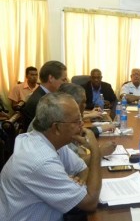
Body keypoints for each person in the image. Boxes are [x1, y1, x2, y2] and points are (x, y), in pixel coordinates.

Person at [0, 92, 115, 221]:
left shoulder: (50, 140)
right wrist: (95, 150)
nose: (82, 125)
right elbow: (90, 203)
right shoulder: (41, 161)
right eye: (77, 121)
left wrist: (78, 183)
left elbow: (83, 169)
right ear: (57, 127)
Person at [22, 61, 68, 129]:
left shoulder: (44, 94)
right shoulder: (40, 101)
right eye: (63, 80)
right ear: (51, 78)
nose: (66, 83)